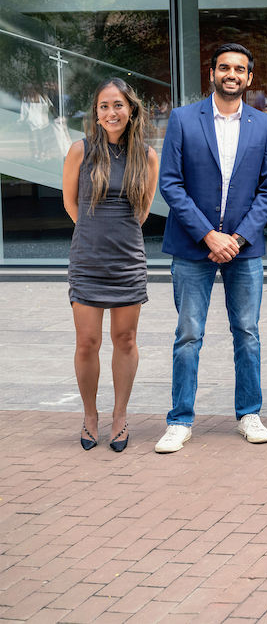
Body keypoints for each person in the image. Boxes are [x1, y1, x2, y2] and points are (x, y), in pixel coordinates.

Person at [154, 43, 267, 453]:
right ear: (211, 73)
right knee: (188, 334)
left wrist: (238, 238)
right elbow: (170, 183)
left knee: (247, 333)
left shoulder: (264, 125)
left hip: (243, 250)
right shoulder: (183, 118)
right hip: (194, 247)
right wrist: (209, 234)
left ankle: (249, 414)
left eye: (239, 69)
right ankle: (179, 420)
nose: (232, 74)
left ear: (249, 77)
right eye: (224, 67)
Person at [62, 79, 159, 451]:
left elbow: (144, 209)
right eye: (104, 106)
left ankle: (120, 416)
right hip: (87, 258)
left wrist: (115, 234)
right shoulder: (80, 151)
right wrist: (93, 233)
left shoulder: (146, 156)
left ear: (130, 109)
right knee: (87, 342)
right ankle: (90, 416)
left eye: (117, 105)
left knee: (125, 339)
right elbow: (70, 203)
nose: (111, 113)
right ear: (96, 113)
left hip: (127, 260)